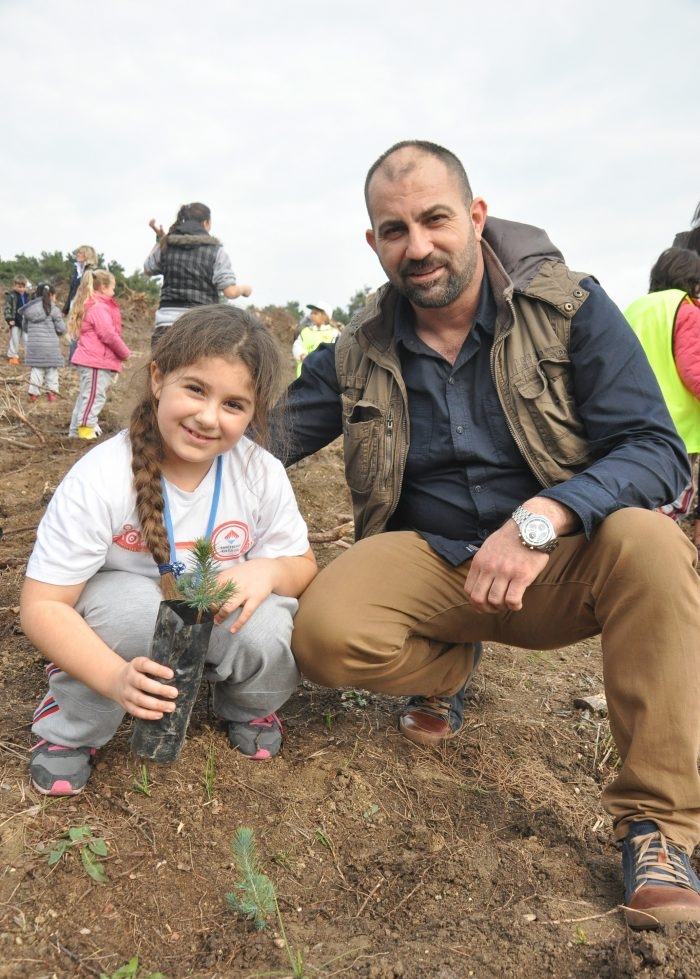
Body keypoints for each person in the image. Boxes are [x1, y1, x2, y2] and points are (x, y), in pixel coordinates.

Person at [274, 140, 700, 929]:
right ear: (374, 243)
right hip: (433, 564)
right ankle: (446, 668)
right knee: (325, 634)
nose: (419, 245)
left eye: (435, 219)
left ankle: (659, 828)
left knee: (652, 541)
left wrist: (540, 518)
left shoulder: (570, 307)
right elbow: (266, 430)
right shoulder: (360, 345)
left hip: (560, 562)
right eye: (394, 230)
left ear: (474, 216)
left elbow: (655, 450)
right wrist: (142, 458)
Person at [20, 305, 317, 797]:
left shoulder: (260, 473)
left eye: (234, 404)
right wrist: (115, 677)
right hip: (128, 604)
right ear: (158, 378)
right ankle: (72, 723)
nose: (207, 416)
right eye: (196, 389)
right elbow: (43, 605)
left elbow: (302, 566)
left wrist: (266, 572)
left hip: (216, 602)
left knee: (271, 623)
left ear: (254, 412)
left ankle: (246, 704)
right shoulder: (101, 477)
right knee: (133, 619)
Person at [624, 247, 700, 524]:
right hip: (677, 426)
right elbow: (694, 370)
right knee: (675, 499)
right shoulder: (685, 309)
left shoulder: (635, 308)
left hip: (631, 420)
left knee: (643, 490)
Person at [144, 203, 253, 344]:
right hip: (201, 325)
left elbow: (148, 268)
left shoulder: (167, 246)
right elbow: (230, 292)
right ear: (206, 223)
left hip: (166, 325)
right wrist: (245, 289)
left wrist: (160, 240)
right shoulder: (215, 251)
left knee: (162, 366)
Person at [66, 268, 131, 440]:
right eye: (112, 287)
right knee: (94, 396)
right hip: (96, 361)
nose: (114, 291)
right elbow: (108, 334)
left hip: (94, 360)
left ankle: (74, 433)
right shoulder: (98, 307)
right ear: (102, 287)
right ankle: (85, 431)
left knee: (86, 397)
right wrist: (124, 352)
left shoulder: (93, 305)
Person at [22, 282, 66, 402]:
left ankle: (33, 395)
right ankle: (51, 394)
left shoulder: (29, 309)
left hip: (34, 346)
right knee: (51, 371)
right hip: (50, 347)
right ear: (51, 295)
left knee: (36, 370)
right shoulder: (54, 309)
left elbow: (25, 328)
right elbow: (62, 329)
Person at [292, 302, 340, 377]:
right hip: (303, 377)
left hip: (324, 378)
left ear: (325, 316)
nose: (312, 315)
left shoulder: (334, 333)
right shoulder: (305, 331)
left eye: (315, 313)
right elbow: (297, 345)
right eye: (312, 313)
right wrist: (302, 355)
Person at [62, 246, 98, 316]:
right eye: (77, 252)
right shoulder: (77, 271)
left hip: (85, 308)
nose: (77, 254)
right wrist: (65, 310)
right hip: (73, 306)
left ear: (88, 255)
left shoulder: (93, 272)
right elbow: (71, 292)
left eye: (80, 253)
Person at [4, 274, 29, 365]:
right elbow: (7, 308)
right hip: (15, 321)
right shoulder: (11, 296)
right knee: (14, 338)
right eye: (19, 287)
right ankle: (12, 355)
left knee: (27, 339)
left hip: (26, 321)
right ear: (14, 285)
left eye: (23, 287)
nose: (21, 289)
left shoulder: (28, 296)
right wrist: (9, 319)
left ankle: (29, 357)